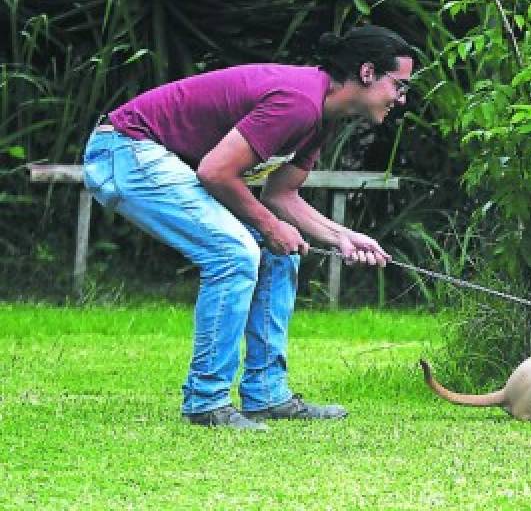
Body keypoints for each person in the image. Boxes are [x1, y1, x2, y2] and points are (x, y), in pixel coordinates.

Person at [81, 26, 415, 430]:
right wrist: (270, 227)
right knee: (235, 253)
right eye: (398, 85)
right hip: (124, 151)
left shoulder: (321, 118)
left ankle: (266, 396)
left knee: (279, 254)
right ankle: (206, 402)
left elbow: (282, 195)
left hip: (153, 160)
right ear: (366, 73)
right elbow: (217, 171)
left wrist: (343, 237)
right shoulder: (298, 102)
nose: (402, 98)